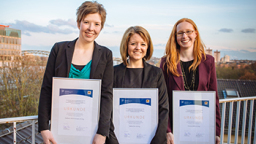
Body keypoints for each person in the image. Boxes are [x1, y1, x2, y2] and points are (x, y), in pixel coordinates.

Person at [38, 1, 113, 144]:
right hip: (59, 130)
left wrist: (102, 133)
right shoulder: (58, 50)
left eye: (97, 24)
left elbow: (107, 96)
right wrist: (43, 127)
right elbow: (47, 89)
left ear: (101, 27)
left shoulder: (106, 55)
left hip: (91, 132)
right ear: (79, 23)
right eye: (86, 22)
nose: (91, 28)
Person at [160, 18, 221, 144]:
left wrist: (215, 131)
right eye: (180, 33)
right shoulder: (166, 62)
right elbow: (162, 100)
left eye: (188, 31)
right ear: (175, 36)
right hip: (174, 131)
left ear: (195, 34)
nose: (184, 36)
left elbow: (213, 97)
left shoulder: (208, 61)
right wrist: (167, 130)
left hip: (202, 128)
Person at [106, 26, 169, 144]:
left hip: (151, 140)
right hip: (117, 139)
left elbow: (163, 109)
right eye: (133, 43)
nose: (138, 48)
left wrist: (157, 140)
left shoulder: (156, 74)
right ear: (126, 45)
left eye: (143, 44)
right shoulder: (113, 72)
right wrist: (113, 140)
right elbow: (107, 108)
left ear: (148, 47)